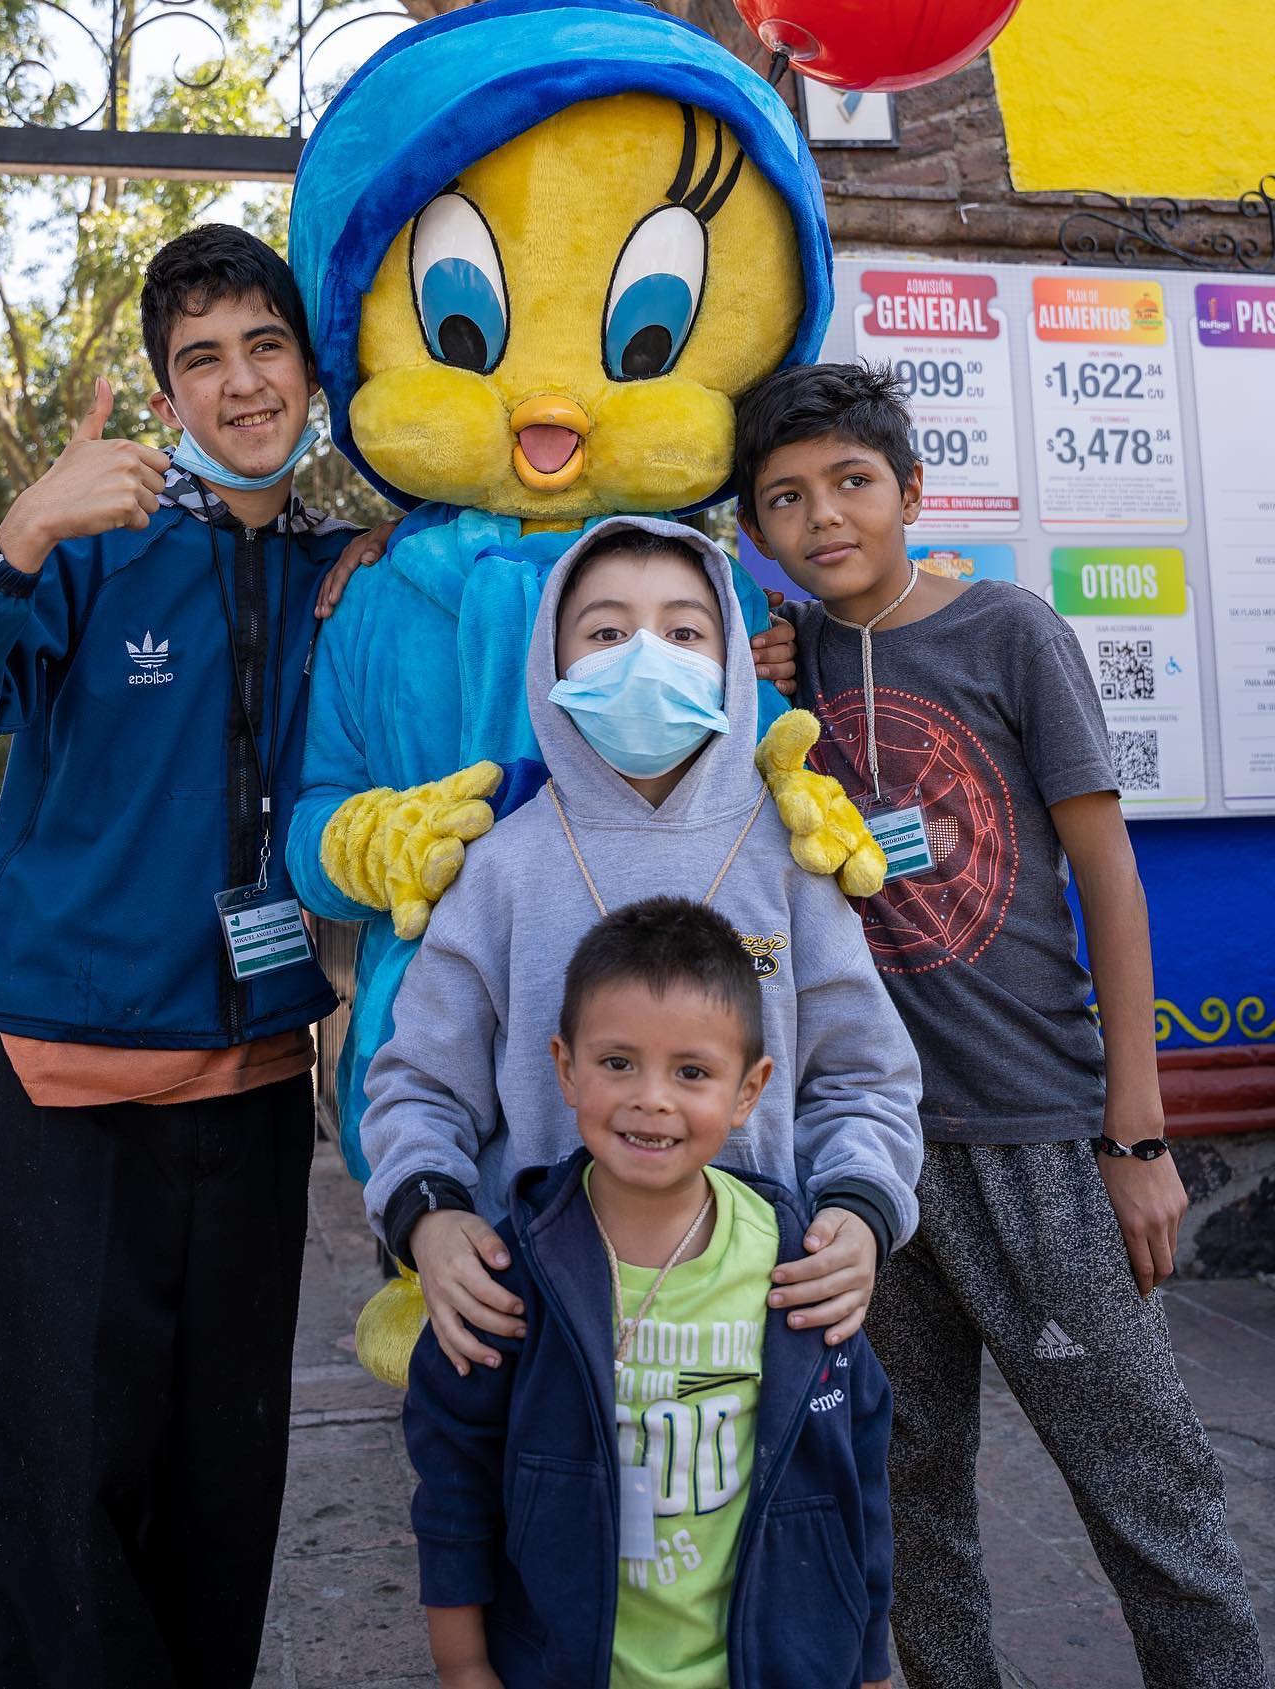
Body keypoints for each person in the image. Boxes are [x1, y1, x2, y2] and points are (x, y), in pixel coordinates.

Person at [0, 224, 391, 1689]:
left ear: (311, 370)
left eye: (264, 347)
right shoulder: (88, 548)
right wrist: (18, 534)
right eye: (201, 360)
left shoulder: (339, 574)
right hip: (68, 1100)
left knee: (229, 1479)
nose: (240, 385)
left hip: (251, 1095)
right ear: (167, 394)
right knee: (65, 1483)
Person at [734, 360, 1268, 1689]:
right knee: (909, 1500)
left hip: (1036, 1133)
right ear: (760, 533)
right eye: (786, 500)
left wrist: (1136, 1139)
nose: (824, 517)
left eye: (852, 483)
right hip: (869, 1152)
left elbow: (1109, 876)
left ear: (911, 490)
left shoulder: (1009, 632)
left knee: (1151, 1491)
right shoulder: (784, 678)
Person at [351, 514, 923, 1380]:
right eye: (607, 631)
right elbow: (420, 1085)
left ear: (732, 658)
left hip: (762, 1319)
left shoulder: (793, 861)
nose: (645, 656)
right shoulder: (499, 868)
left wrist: (860, 1205)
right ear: (552, 659)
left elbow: (863, 1074)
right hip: (542, 1325)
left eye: (685, 630)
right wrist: (428, 1215)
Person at [404, 895, 895, 1689]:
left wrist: (868, 1659)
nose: (652, 1097)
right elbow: (454, 1471)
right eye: (618, 1062)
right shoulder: (514, 1267)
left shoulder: (798, 1266)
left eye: (692, 1071)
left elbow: (857, 1470)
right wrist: (461, 1663)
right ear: (565, 1067)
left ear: (749, 1089)